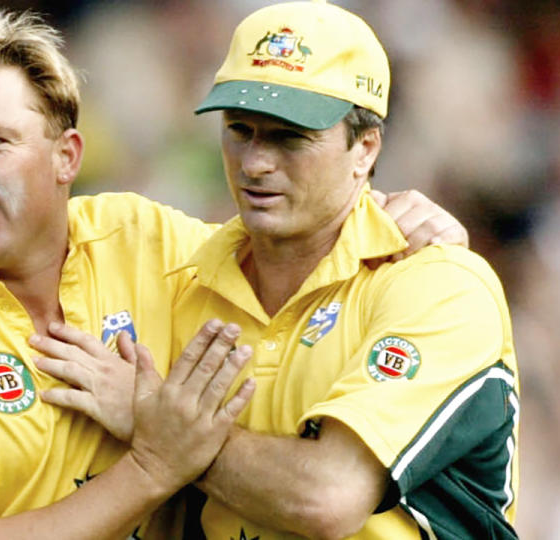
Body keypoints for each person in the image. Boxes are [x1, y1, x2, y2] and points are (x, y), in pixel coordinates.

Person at [0, 3, 471, 539]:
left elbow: (299, 259)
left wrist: (403, 231)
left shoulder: (144, 239)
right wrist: (154, 465)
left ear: (66, 156)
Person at [36, 1, 520, 538]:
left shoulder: (437, 285)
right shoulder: (186, 275)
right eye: (240, 129)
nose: (255, 163)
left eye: (290, 136)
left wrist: (158, 424)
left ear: (365, 147)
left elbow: (327, 498)